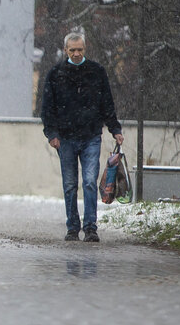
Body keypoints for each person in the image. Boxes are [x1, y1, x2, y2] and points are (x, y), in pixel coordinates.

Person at [40, 31, 124, 242]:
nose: (76, 53)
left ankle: (90, 227)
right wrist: (52, 134)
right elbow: (47, 108)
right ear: (66, 50)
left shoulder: (97, 72)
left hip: (90, 136)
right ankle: (72, 227)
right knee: (69, 184)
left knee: (88, 181)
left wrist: (115, 129)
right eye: (72, 50)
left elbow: (107, 102)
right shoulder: (55, 74)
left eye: (80, 50)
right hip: (65, 138)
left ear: (85, 49)